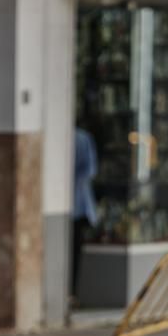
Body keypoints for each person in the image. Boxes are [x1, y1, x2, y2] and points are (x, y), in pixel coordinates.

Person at [71, 126, 98, 300]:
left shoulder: (76, 137)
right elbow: (91, 171)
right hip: (79, 204)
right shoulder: (83, 137)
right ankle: (72, 292)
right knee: (75, 252)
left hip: (72, 204)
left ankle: (71, 292)